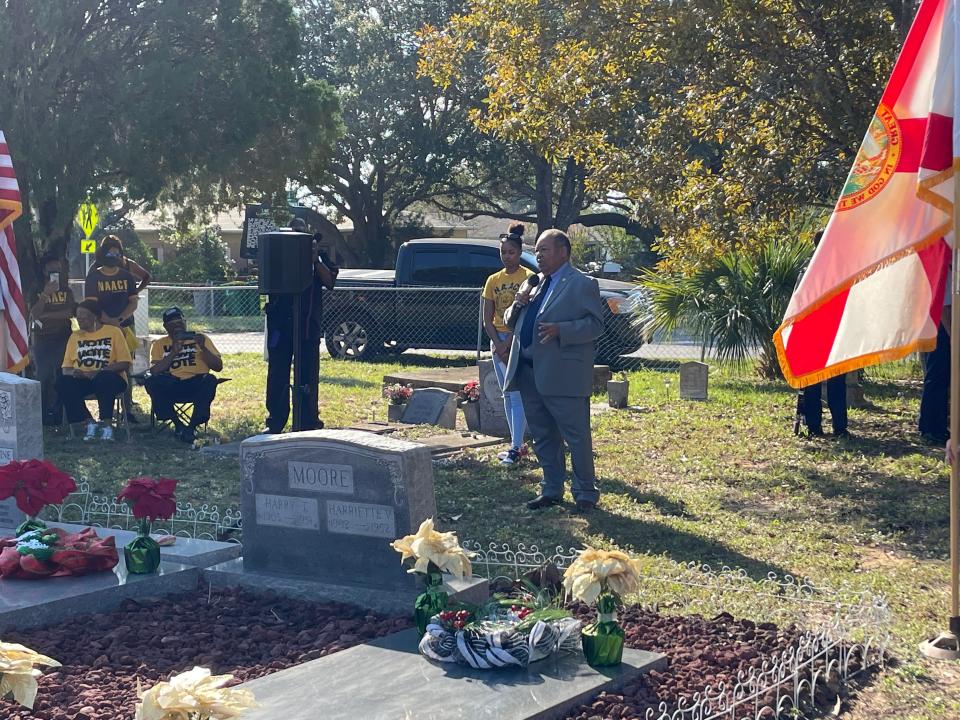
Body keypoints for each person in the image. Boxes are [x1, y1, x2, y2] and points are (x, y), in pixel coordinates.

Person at [503, 229, 604, 511]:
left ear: (563, 251)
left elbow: (595, 326)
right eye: (536, 251)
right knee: (543, 435)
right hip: (528, 372)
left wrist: (563, 330)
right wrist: (517, 302)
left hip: (564, 375)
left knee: (576, 436)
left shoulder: (582, 283)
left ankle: (585, 493)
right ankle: (551, 488)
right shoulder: (533, 284)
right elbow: (511, 323)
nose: (538, 256)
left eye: (544, 250)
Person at [264, 218, 339, 433]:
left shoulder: (320, 256)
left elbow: (330, 282)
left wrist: (314, 259)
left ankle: (307, 421)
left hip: (307, 325)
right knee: (277, 374)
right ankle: (275, 421)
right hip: (281, 325)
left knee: (308, 375)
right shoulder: (277, 255)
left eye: (301, 235)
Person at [482, 223, 534, 464]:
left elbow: (525, 315)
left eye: (511, 252)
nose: (506, 256)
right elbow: (487, 317)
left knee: (516, 393)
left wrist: (510, 342)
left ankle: (516, 447)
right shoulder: (493, 280)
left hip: (517, 339)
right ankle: (515, 444)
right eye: (503, 252)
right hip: (498, 342)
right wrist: (496, 342)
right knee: (506, 393)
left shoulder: (528, 278)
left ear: (519, 252)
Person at [144, 307, 224, 443]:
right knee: (151, 381)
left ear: (185, 322)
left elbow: (218, 367)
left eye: (179, 322)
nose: (177, 326)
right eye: (172, 324)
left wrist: (203, 347)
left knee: (210, 380)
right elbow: (155, 371)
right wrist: (174, 352)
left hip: (196, 383)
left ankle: (191, 428)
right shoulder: (159, 344)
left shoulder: (201, 339)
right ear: (165, 327)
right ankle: (178, 425)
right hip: (171, 384)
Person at [57, 299, 131, 441]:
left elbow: (125, 363)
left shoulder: (113, 332)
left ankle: (107, 425)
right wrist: (75, 373)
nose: (80, 320)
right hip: (84, 379)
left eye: (84, 316)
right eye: (78, 317)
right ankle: (88, 421)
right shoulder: (75, 336)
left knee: (103, 379)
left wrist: (99, 371)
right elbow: (65, 368)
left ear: (96, 316)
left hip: (111, 379)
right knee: (62, 382)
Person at [29, 254, 77, 425]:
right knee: (42, 378)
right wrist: (45, 295)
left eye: (58, 270)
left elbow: (69, 313)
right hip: (42, 341)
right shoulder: (36, 289)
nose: (55, 273)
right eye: (51, 271)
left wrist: (46, 315)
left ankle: (59, 415)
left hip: (64, 338)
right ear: (44, 271)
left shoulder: (66, 290)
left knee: (62, 377)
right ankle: (41, 418)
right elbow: (34, 315)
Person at [919, 265, 951, 444]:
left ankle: (939, 425)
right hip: (939, 330)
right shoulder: (944, 270)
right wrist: (953, 336)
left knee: (943, 379)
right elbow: (945, 308)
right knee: (936, 379)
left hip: (941, 330)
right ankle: (929, 427)